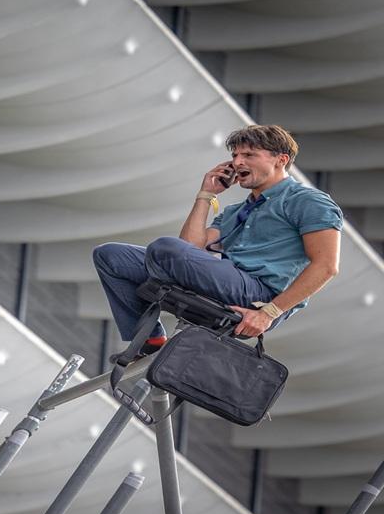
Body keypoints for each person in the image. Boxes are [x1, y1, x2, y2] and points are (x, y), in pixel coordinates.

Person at [93, 125, 342, 354]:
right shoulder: (235, 211)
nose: (237, 162)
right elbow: (189, 249)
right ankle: (151, 341)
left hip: (259, 294)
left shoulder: (307, 200)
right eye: (235, 156)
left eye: (249, 155)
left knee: (163, 248)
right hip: (226, 278)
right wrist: (206, 194)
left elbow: (326, 266)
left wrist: (269, 313)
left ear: (281, 160)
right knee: (111, 255)